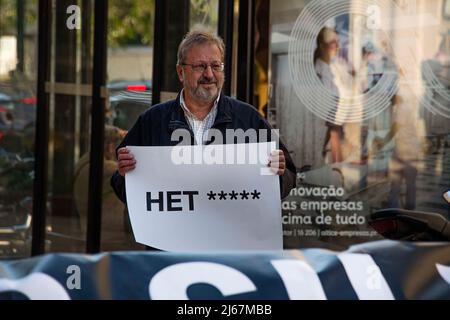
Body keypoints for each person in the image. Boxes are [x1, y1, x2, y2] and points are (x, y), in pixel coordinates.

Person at [110, 30, 296, 203]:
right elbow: (121, 185)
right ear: (181, 72)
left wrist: (279, 174)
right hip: (173, 236)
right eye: (200, 66)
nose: (209, 74)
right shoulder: (152, 121)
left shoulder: (248, 119)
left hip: (229, 236)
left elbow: (288, 176)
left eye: (216, 66)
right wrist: (126, 176)